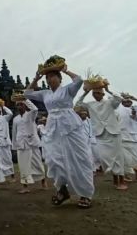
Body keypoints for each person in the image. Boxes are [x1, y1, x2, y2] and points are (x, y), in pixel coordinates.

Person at [24, 65, 94, 209]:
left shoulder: (67, 90)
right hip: (52, 127)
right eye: (47, 77)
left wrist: (65, 70)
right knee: (54, 158)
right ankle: (62, 190)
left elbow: (79, 80)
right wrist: (37, 78)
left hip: (70, 126)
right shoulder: (45, 93)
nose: (50, 79)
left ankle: (85, 194)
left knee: (78, 158)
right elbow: (27, 93)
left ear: (59, 78)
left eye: (52, 76)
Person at [77, 87, 127, 190]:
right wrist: (85, 92)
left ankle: (120, 180)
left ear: (103, 94)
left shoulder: (110, 103)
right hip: (100, 134)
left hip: (113, 133)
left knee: (118, 157)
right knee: (103, 157)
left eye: (99, 93)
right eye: (94, 93)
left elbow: (118, 98)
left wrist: (108, 89)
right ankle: (114, 176)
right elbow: (78, 104)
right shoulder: (90, 104)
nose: (96, 94)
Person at [11, 98, 46, 194]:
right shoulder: (15, 119)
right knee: (23, 166)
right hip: (21, 144)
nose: (19, 107)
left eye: (21, 104)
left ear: (25, 105)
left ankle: (43, 180)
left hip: (32, 144)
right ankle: (25, 186)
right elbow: (14, 132)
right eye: (18, 105)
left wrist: (25, 99)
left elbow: (35, 109)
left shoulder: (31, 115)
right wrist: (14, 145)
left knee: (37, 163)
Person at [0, 100, 15, 184]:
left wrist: (2, 105)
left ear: (0, 111)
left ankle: (12, 175)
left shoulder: (5, 118)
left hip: (5, 143)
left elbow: (11, 113)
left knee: (7, 159)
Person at [74, 107, 100, 173]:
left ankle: (97, 167)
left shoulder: (90, 120)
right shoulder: (77, 121)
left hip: (92, 139)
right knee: (88, 155)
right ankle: (91, 170)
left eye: (85, 113)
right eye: (82, 113)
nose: (84, 114)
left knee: (97, 155)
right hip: (82, 141)